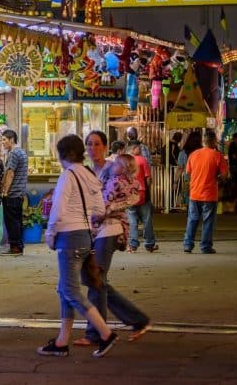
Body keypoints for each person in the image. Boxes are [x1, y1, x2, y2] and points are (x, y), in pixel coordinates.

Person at [36, 133, 119, 358]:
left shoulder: (67, 176)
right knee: (65, 289)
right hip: (85, 236)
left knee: (70, 291)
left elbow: (58, 209)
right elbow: (100, 211)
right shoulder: (90, 175)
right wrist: (88, 230)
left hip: (68, 237)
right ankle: (62, 341)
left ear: (62, 154)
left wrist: (50, 234)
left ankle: (105, 333)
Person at [79, 131, 152, 347]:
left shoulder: (114, 167)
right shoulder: (86, 171)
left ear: (105, 146)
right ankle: (137, 320)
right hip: (91, 229)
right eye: (90, 144)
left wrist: (108, 209)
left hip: (110, 228)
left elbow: (134, 194)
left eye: (97, 144)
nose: (93, 148)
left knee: (95, 279)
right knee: (94, 280)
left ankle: (96, 333)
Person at [182, 130, 229, 254]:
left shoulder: (193, 154)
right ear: (213, 141)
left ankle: (188, 245)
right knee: (208, 221)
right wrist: (217, 177)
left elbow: (188, 172)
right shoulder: (218, 156)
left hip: (195, 192)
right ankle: (205, 246)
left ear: (203, 141)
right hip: (210, 194)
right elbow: (225, 175)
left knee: (192, 219)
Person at [0, 129, 28, 256]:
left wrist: (5, 191)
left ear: (12, 140)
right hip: (20, 193)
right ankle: (18, 246)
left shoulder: (14, 153)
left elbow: (10, 173)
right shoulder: (22, 152)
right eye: (2, 140)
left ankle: (15, 247)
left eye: (4, 140)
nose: (2, 143)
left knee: (12, 221)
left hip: (13, 192)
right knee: (17, 220)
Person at [124, 141, 157, 253]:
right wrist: (149, 190)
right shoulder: (142, 160)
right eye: (139, 147)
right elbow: (148, 178)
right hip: (142, 193)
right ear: (134, 148)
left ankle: (133, 244)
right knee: (147, 219)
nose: (140, 149)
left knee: (132, 221)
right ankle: (149, 244)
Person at [177, 131, 203, 209]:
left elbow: (179, 169)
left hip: (187, 180)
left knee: (190, 202)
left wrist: (175, 182)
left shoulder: (183, 153)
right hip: (201, 179)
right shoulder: (203, 153)